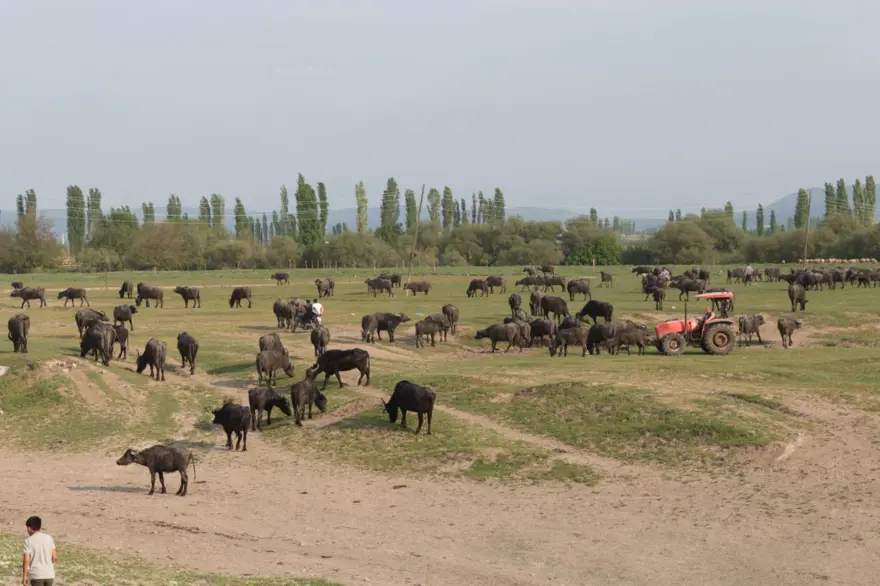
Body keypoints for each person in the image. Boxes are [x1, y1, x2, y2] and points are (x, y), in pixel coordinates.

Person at [22, 516, 56, 586]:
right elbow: (54, 557)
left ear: (29, 528)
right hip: (49, 575)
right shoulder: (49, 538)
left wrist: (25, 576)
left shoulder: (28, 541)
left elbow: (26, 560)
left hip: (36, 575)